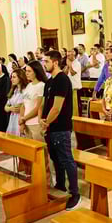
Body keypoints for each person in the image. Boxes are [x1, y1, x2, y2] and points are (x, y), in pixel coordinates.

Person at [40, 51, 81, 210]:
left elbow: (57, 108)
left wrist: (46, 123)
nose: (44, 64)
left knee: (66, 159)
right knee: (55, 158)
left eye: (46, 61)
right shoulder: (49, 81)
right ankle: (61, 185)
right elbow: (45, 104)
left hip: (61, 127)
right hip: (50, 127)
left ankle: (75, 193)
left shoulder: (62, 80)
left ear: (55, 62)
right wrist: (42, 119)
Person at [19, 61, 50, 185]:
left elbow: (38, 107)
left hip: (35, 124)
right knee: (31, 154)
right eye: (26, 71)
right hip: (27, 123)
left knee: (42, 156)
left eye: (29, 71)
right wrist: (22, 121)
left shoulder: (41, 86)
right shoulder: (28, 86)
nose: (26, 73)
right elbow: (23, 105)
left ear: (36, 72)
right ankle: (35, 179)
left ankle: (45, 182)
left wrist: (24, 118)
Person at [5, 69, 27, 137]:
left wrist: (21, 107)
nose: (11, 79)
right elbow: (5, 107)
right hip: (12, 118)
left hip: (21, 118)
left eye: (14, 77)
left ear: (20, 78)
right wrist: (10, 108)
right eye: (11, 77)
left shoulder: (26, 90)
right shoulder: (14, 90)